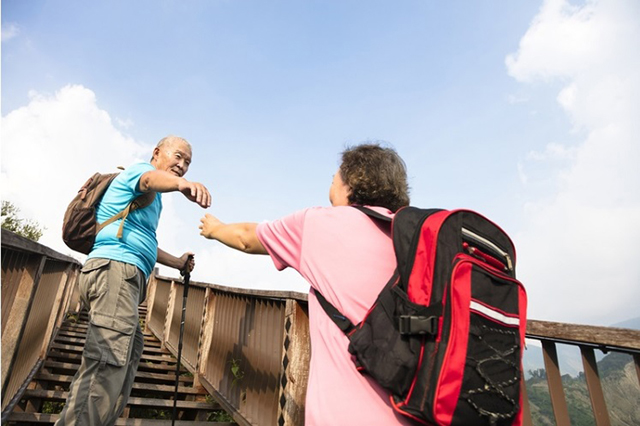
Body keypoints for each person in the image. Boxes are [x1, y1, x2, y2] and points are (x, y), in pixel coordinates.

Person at [199, 143, 413, 425]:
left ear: (350, 185)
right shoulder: (415, 239)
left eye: (335, 177)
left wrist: (214, 229)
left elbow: (246, 237)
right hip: (420, 411)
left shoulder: (318, 224)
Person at [56, 135, 211, 426]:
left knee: (124, 363)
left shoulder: (152, 200)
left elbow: (145, 241)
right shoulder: (139, 172)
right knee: (107, 363)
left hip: (125, 277)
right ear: (157, 153)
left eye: (187, 162)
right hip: (114, 271)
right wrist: (182, 185)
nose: (182, 165)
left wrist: (177, 263)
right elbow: (151, 180)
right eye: (178, 156)